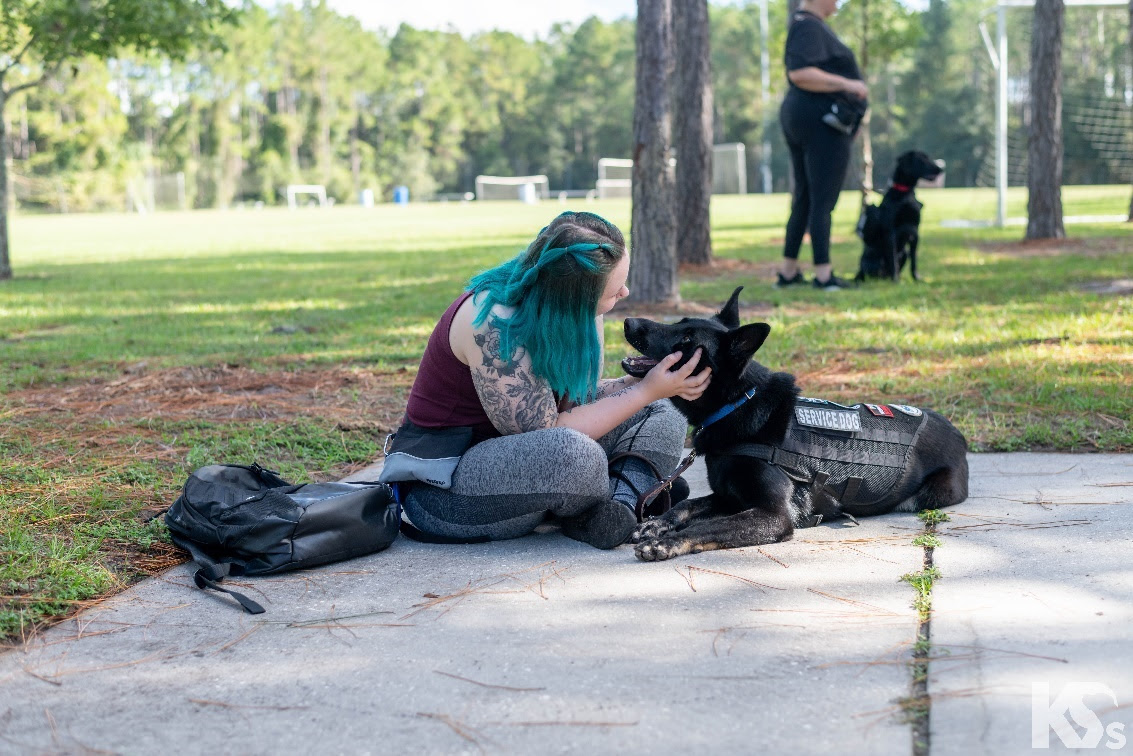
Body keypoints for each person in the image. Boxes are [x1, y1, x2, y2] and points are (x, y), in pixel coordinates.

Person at [392, 211, 711, 549]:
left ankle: (621, 507)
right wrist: (643, 390)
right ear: (575, 294)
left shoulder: (575, 311)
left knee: (665, 404)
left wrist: (644, 386)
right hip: (449, 491)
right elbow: (549, 436)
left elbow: (578, 402)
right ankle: (637, 485)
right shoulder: (493, 325)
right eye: (614, 290)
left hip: (531, 471)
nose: (625, 293)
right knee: (576, 456)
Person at [777, 0, 869, 291]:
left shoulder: (808, 26)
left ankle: (788, 272)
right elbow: (800, 74)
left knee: (805, 197)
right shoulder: (808, 26)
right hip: (821, 123)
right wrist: (850, 85)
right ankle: (824, 275)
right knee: (822, 200)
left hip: (807, 119)